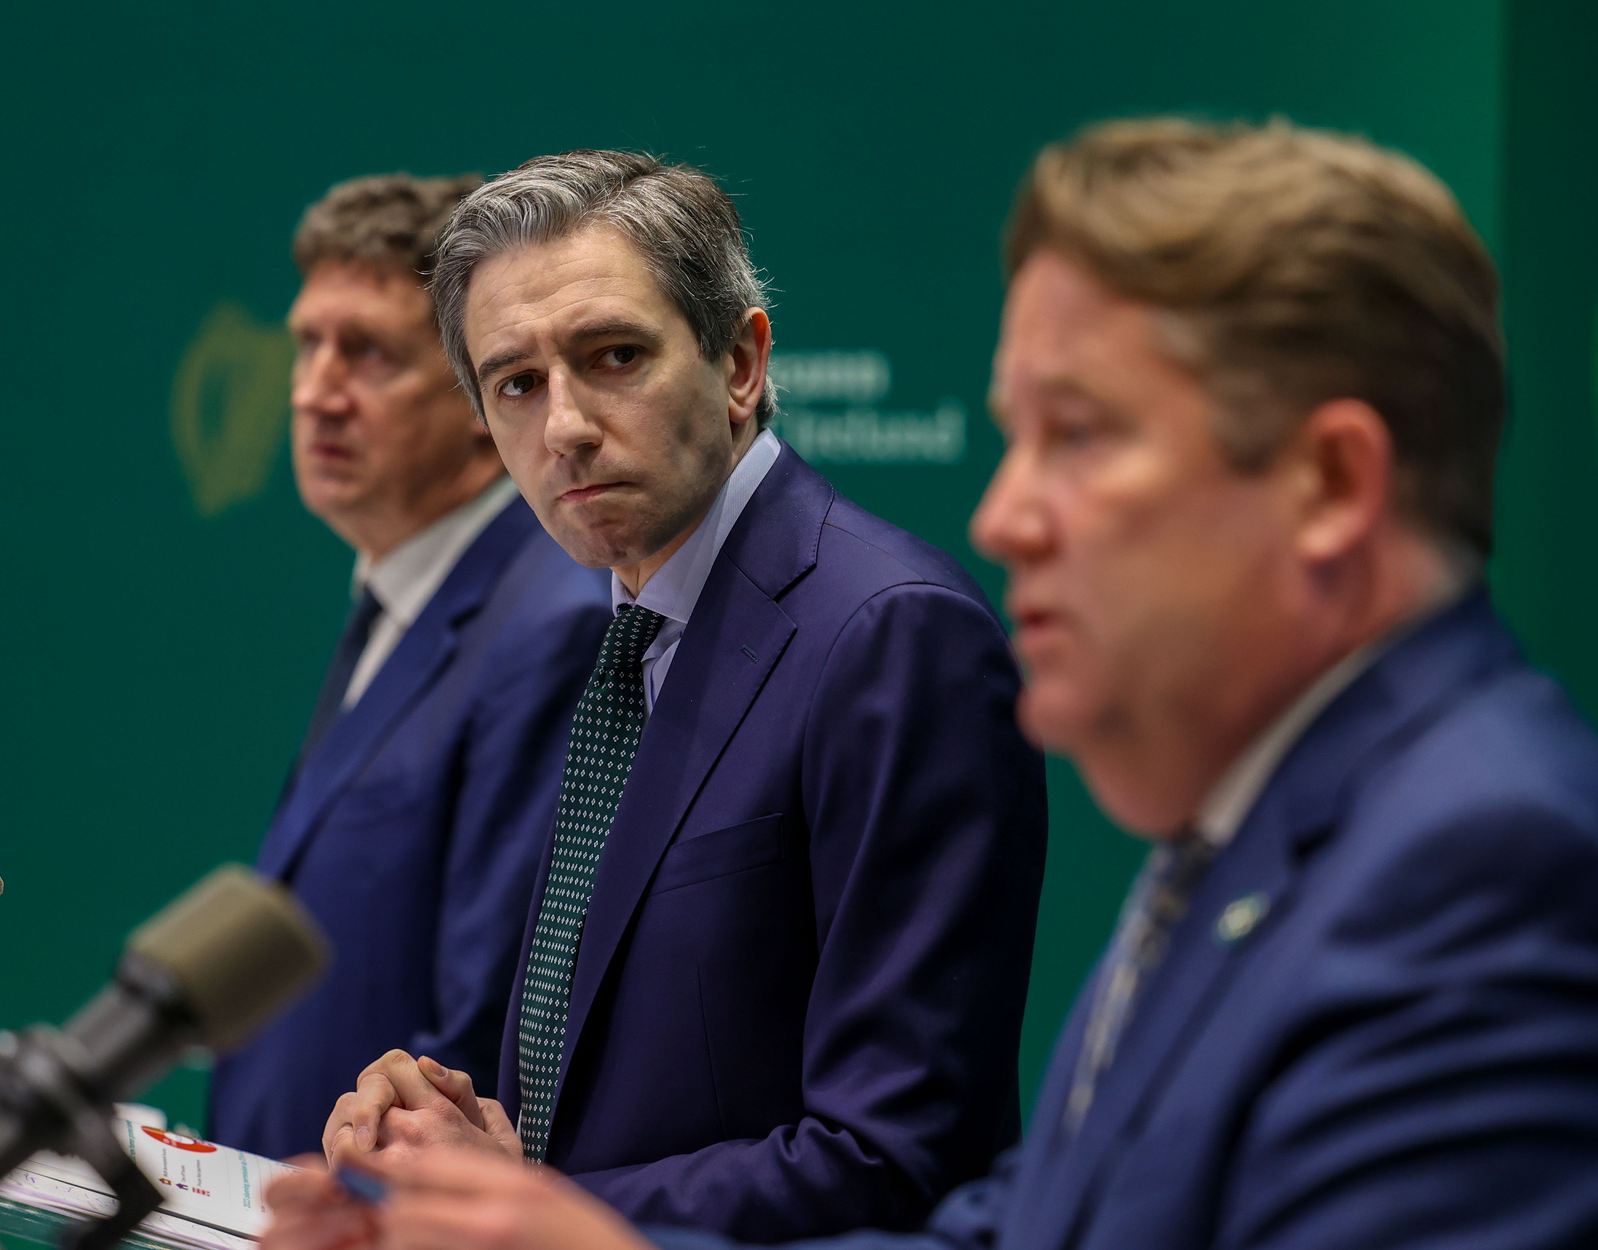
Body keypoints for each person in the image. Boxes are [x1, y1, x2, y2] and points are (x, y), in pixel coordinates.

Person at [261, 120, 1598, 1249]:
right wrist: (496, 1170)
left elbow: (907, 1160)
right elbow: (1025, 1220)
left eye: (1074, 434)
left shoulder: (1477, 858)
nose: (1005, 511)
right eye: (513, 381)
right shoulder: (1257, 831)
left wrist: (576, 1227)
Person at [314, 151, 1049, 1242]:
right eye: (515, 383)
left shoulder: (890, 631)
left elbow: (894, 1157)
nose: (562, 426)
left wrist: (532, 1212)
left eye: (611, 356)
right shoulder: (629, 633)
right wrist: (471, 1153)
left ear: (740, 362)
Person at [205, 174, 610, 1160]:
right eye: (307, 343)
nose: (312, 390)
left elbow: (480, 1041)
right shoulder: (395, 593)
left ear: (485, 391)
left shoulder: (547, 622)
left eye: (368, 352)